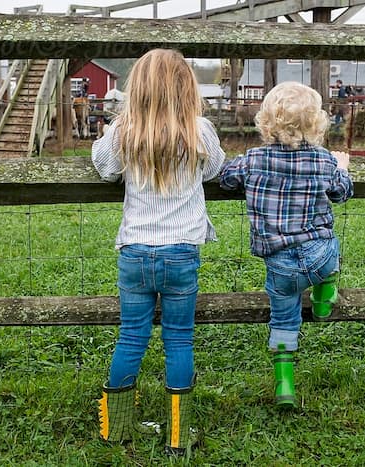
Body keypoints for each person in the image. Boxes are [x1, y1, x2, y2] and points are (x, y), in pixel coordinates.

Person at [91, 48, 226, 453]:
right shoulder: (199, 131)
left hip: (135, 252)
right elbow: (216, 168)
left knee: (131, 337)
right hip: (182, 252)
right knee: (179, 340)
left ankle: (115, 430)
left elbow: (103, 166)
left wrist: (111, 129)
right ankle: (178, 436)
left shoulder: (123, 133)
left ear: (138, 89)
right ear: (186, 88)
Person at [219, 81, 354, 408]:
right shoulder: (323, 161)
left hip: (280, 265)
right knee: (331, 243)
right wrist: (342, 167)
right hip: (319, 255)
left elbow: (225, 179)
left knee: (283, 321)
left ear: (266, 122)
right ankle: (324, 297)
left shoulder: (253, 159)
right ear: (316, 123)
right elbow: (341, 193)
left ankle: (284, 384)